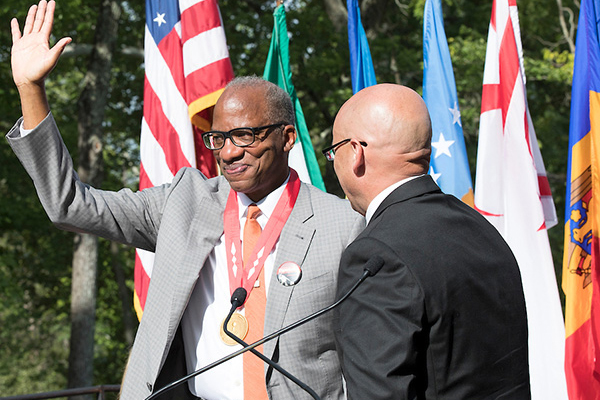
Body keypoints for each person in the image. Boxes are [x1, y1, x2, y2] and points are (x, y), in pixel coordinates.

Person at [7, 2, 364, 399]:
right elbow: (69, 204)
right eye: (218, 139)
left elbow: (366, 357)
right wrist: (31, 90)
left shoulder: (344, 224)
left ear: (287, 138)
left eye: (245, 136)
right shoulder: (185, 202)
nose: (228, 153)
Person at [327, 83, 530, 399]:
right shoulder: (480, 227)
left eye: (332, 152)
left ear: (355, 152)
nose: (334, 163)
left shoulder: (374, 254)